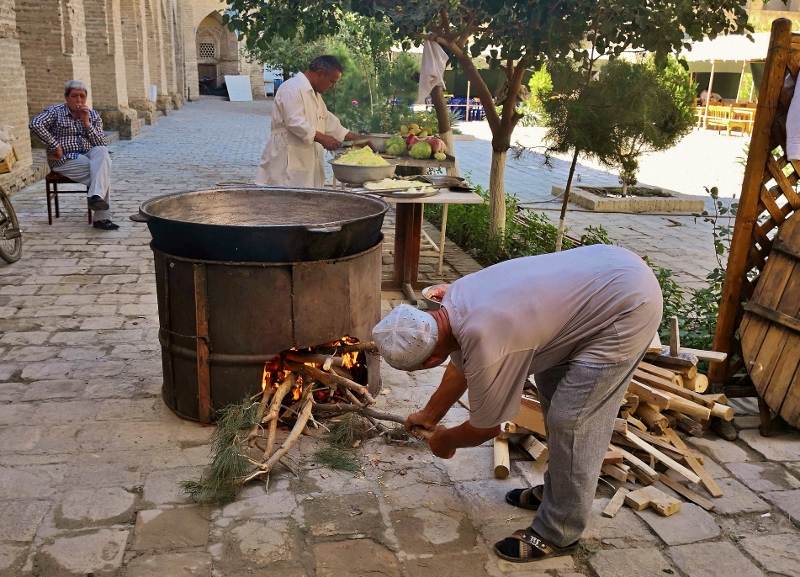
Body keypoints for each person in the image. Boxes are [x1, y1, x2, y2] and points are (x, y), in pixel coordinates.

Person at [371, 245, 662, 564]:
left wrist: (445, 440)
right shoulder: (454, 301)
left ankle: (559, 529)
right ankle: (559, 494)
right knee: (553, 394)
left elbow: (485, 427)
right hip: (605, 270)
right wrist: (430, 415)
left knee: (571, 421)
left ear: (431, 361)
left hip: (629, 305)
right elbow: (460, 363)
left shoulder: (487, 341)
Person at [255, 55, 368, 188]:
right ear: (319, 74)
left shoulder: (315, 96)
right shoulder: (292, 88)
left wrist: (359, 140)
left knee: (309, 204)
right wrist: (323, 138)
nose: (332, 86)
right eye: (332, 81)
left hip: (307, 165)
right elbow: (295, 122)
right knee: (287, 204)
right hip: (287, 162)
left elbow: (331, 124)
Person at [29, 80, 118, 230]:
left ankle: (96, 197)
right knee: (102, 173)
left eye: (82, 96)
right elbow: (35, 124)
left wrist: (87, 123)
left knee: (102, 153)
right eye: (74, 96)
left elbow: (101, 142)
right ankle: (101, 218)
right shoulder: (55, 112)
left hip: (88, 154)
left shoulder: (93, 115)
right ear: (66, 97)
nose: (78, 100)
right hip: (64, 158)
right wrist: (54, 145)